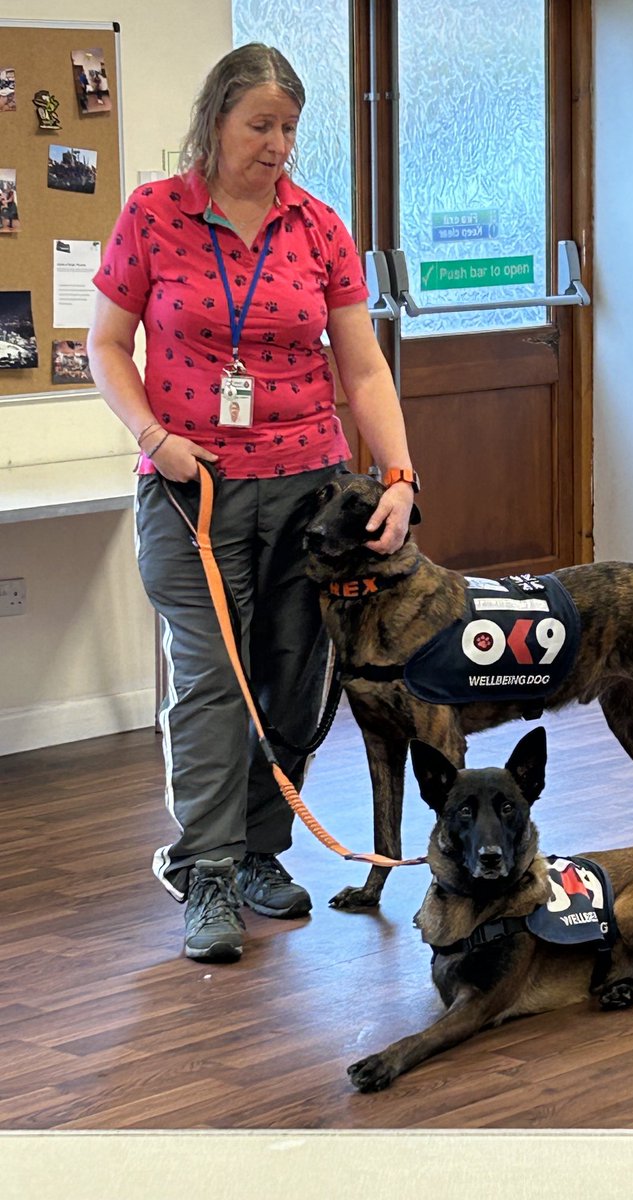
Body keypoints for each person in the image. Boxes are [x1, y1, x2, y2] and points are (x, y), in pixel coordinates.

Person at [87, 44, 417, 965]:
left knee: (287, 675)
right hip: (191, 488)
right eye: (259, 127)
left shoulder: (317, 225)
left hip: (310, 491)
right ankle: (206, 872)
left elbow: (360, 366)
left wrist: (398, 475)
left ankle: (262, 851)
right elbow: (107, 344)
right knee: (210, 683)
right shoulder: (154, 213)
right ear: (216, 120)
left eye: (289, 130)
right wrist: (154, 437)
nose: (277, 146)